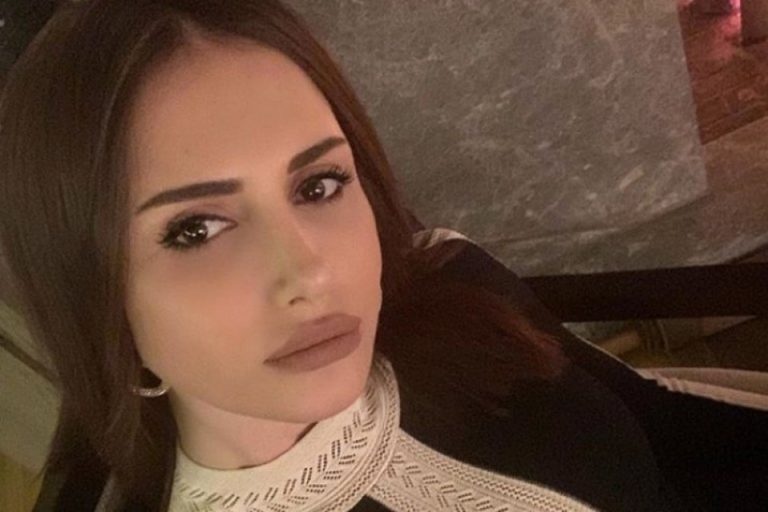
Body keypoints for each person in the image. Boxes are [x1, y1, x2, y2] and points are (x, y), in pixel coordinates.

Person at [1, 1, 767, 511]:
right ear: (96, 294)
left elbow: (663, 420)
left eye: (319, 184)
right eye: (196, 229)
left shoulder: (448, 282)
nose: (309, 270)